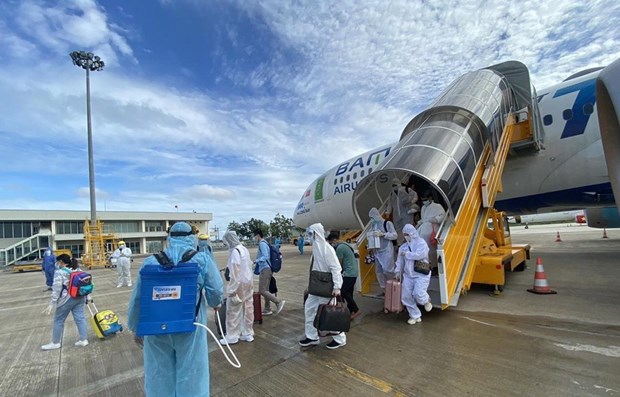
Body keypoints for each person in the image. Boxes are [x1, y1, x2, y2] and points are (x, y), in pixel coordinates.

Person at [127, 222, 223, 397]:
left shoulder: (150, 261)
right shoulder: (201, 259)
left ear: (169, 238)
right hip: (190, 327)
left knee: (158, 374)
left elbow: (138, 298)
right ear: (191, 237)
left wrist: (135, 327)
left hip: (155, 327)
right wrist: (215, 302)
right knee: (192, 372)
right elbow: (216, 292)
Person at [299, 223, 346, 349]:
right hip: (316, 288)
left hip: (327, 288)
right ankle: (312, 337)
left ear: (316, 234)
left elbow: (336, 268)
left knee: (329, 313)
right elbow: (312, 269)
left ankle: (339, 338)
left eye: (311, 234)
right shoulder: (315, 250)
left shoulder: (327, 249)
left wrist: (337, 287)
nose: (309, 237)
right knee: (309, 310)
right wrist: (309, 287)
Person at [41, 254, 89, 350]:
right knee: (80, 318)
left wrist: (52, 303)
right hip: (80, 297)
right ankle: (84, 340)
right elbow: (85, 283)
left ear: (62, 262)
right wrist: (88, 296)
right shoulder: (78, 270)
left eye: (58, 262)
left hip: (66, 299)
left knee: (58, 320)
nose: (57, 264)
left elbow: (57, 288)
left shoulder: (60, 272)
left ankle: (55, 342)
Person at [219, 230, 255, 345]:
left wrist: (231, 290)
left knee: (233, 310)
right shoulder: (244, 249)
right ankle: (247, 333)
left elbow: (235, 272)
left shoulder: (235, 251)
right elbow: (248, 266)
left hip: (239, 284)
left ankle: (232, 336)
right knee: (247, 308)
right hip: (248, 283)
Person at [394, 224, 433, 324]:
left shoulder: (421, 243)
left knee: (418, 294)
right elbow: (399, 261)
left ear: (412, 233)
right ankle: (415, 315)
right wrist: (398, 271)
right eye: (404, 234)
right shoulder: (403, 247)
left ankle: (426, 300)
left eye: (407, 234)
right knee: (406, 296)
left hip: (421, 274)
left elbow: (420, 255)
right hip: (408, 275)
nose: (406, 236)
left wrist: (407, 254)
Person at [327, 231, 360, 320]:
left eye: (330, 243)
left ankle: (356, 310)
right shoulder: (346, 244)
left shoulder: (340, 248)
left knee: (343, 292)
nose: (331, 245)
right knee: (349, 292)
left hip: (349, 273)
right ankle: (351, 312)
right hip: (354, 272)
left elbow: (338, 265)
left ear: (334, 240)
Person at [253, 229, 285, 316]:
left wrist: (256, 261)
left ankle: (278, 301)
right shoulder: (265, 243)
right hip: (267, 269)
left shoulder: (262, 244)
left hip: (265, 269)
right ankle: (267, 309)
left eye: (254, 236)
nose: (254, 238)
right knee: (265, 290)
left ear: (258, 235)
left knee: (262, 290)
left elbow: (266, 256)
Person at [368, 207, 397, 294]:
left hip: (386, 249)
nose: (371, 220)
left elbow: (395, 235)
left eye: (372, 218)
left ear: (376, 215)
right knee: (379, 271)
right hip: (377, 251)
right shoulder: (373, 225)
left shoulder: (387, 223)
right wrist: (370, 245)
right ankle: (384, 289)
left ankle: (393, 286)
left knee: (388, 269)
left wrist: (383, 234)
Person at [417, 190, 447, 268]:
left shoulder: (437, 206)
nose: (424, 201)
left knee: (432, 251)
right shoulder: (423, 207)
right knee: (424, 251)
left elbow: (442, 216)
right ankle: (427, 267)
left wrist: (436, 219)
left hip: (432, 232)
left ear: (430, 198)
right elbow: (423, 219)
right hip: (423, 232)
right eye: (423, 200)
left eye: (425, 199)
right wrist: (419, 223)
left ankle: (435, 267)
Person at [386, 177, 418, 244]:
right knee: (398, 229)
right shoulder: (391, 194)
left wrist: (412, 201)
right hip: (396, 214)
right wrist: (388, 212)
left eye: (395, 185)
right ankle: (400, 244)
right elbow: (390, 204)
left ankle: (412, 242)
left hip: (406, 212)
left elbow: (414, 195)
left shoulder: (406, 190)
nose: (394, 186)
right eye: (393, 185)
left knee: (408, 227)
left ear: (399, 184)